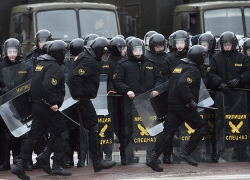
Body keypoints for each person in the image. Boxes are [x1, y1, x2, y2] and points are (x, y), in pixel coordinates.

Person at [11, 40, 72, 180]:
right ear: (58, 53)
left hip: (38, 106)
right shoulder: (54, 67)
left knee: (34, 137)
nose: (64, 55)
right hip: (47, 107)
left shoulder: (41, 64)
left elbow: (34, 85)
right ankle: (55, 164)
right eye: (63, 52)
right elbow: (47, 87)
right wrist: (53, 102)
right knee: (62, 132)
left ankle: (20, 165)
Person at [146, 45, 208, 172]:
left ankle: (153, 157)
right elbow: (182, 84)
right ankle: (186, 153)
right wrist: (189, 100)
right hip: (184, 106)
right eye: (203, 57)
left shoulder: (179, 67)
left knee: (167, 132)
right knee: (201, 127)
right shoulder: (193, 70)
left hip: (173, 105)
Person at [67, 37, 116, 172]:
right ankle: (97, 161)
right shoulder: (89, 61)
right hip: (82, 99)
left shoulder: (85, 56)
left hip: (79, 98)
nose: (105, 56)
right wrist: (78, 97)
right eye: (104, 53)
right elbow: (75, 77)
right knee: (93, 126)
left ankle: (45, 155)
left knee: (65, 127)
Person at [112, 37, 163, 165]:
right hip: (130, 100)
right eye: (135, 50)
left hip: (147, 99)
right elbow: (117, 80)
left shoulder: (150, 63)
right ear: (130, 51)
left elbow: (159, 78)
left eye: (140, 50)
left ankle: (152, 156)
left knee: (151, 126)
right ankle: (127, 156)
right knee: (128, 129)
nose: (138, 53)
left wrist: (156, 89)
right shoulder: (123, 64)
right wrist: (127, 90)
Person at [208, 31, 250, 161]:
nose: (227, 47)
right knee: (220, 123)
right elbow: (211, 74)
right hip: (221, 96)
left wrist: (238, 80)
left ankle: (240, 150)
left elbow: (248, 71)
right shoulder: (216, 57)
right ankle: (218, 150)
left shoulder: (241, 57)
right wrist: (220, 83)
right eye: (225, 45)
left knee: (240, 122)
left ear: (234, 44)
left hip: (239, 97)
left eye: (229, 44)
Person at [0, 38, 32, 171]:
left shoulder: (26, 65)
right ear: (5, 52)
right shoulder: (1, 66)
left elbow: (31, 83)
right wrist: (3, 91)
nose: (12, 54)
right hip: (5, 106)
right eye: (9, 51)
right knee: (5, 135)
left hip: (21, 104)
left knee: (24, 134)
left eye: (14, 51)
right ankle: (5, 161)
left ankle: (25, 160)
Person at [100, 37, 127, 161]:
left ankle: (126, 152)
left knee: (124, 126)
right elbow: (107, 78)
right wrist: (110, 88)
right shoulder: (108, 62)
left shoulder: (125, 60)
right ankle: (108, 153)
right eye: (122, 48)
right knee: (110, 126)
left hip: (123, 98)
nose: (124, 50)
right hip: (111, 99)